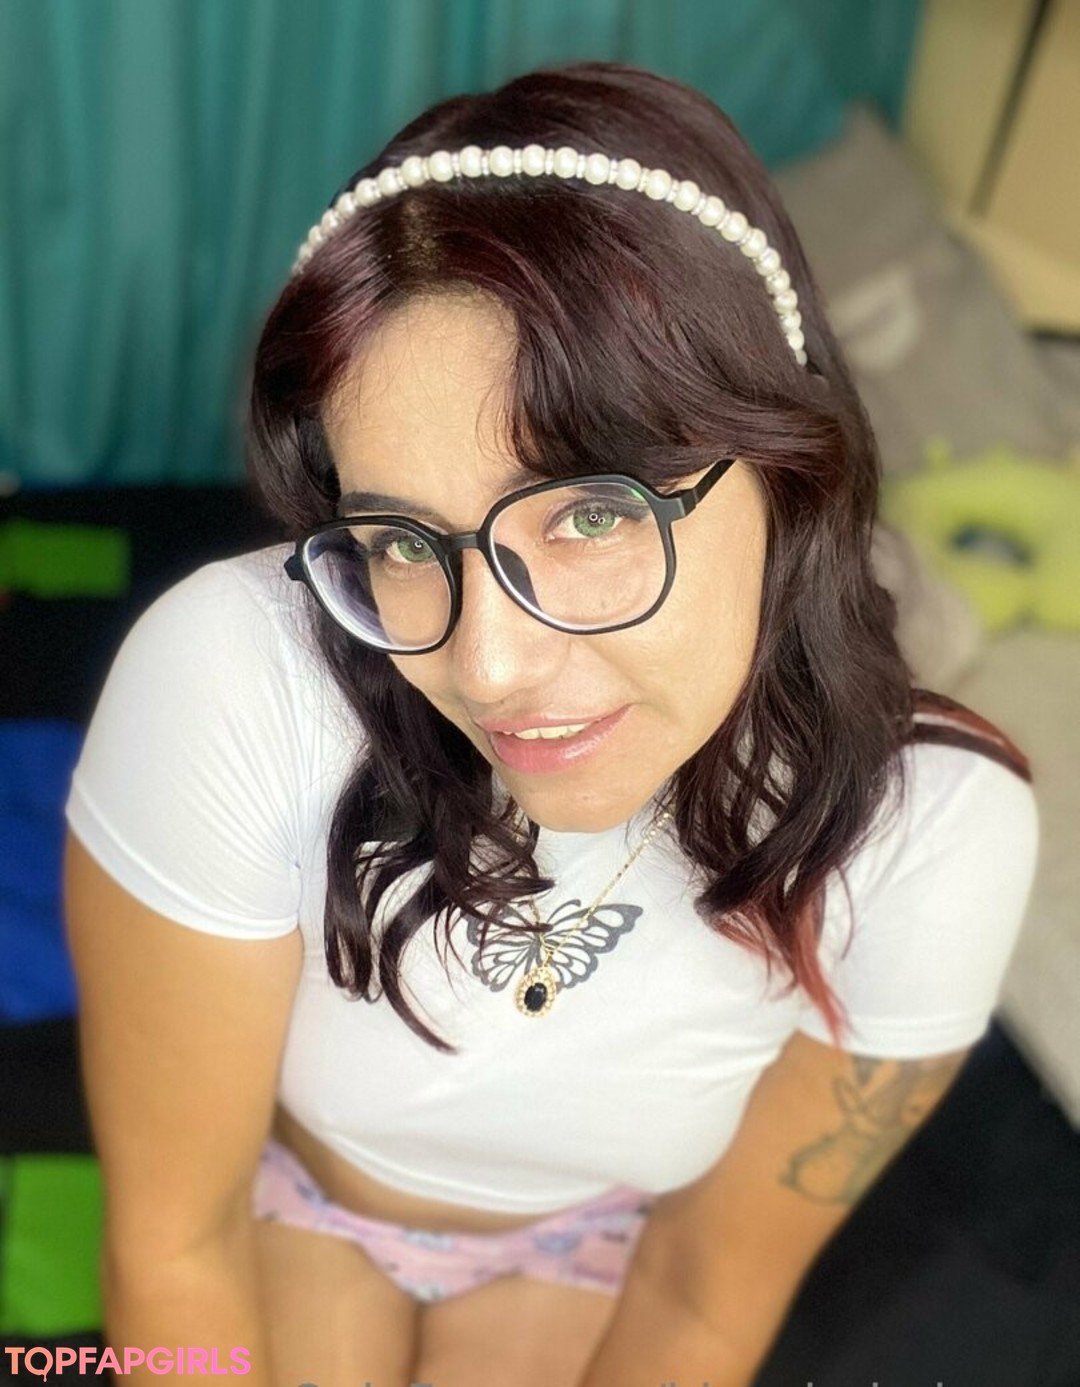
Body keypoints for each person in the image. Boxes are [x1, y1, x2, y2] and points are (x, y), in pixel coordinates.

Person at [64, 63, 1038, 1387]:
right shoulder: (235, 676)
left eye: (588, 513)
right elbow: (175, 1238)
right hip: (285, 1207)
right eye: (401, 540)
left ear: (787, 467)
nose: (489, 664)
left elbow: (702, 1296)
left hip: (593, 1250)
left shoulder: (932, 829)